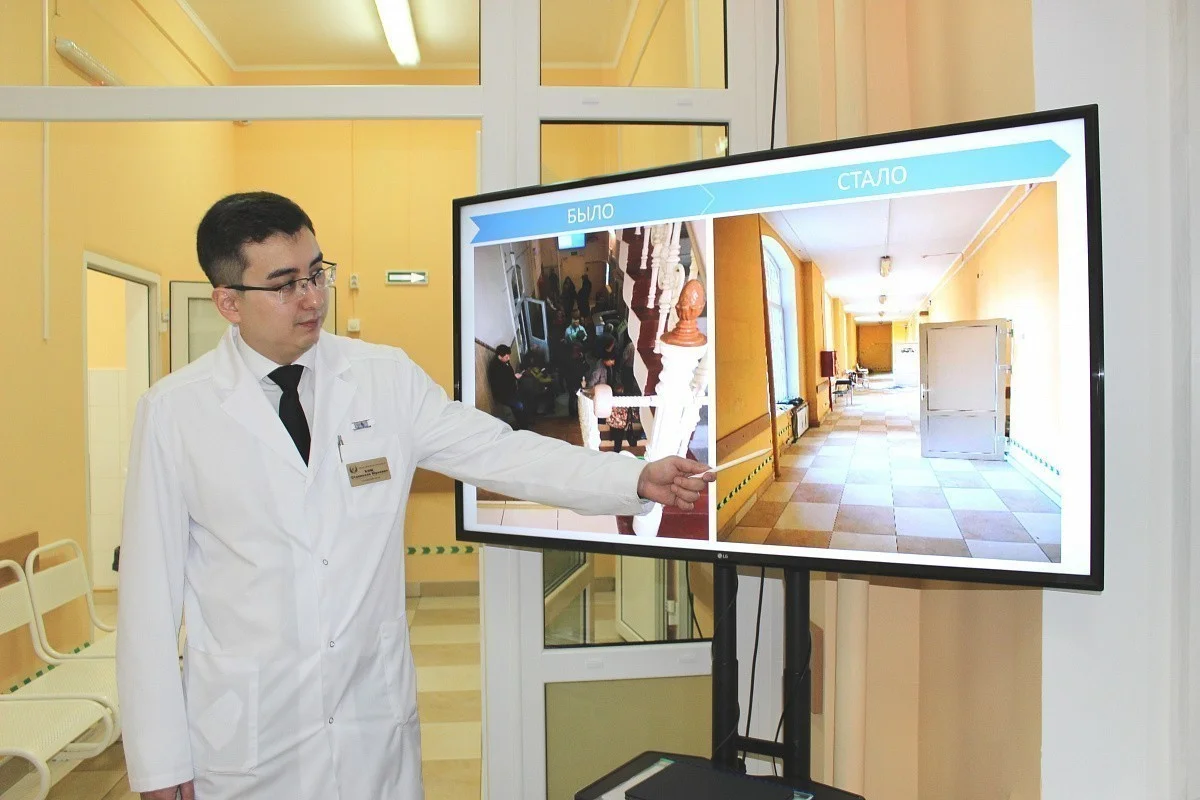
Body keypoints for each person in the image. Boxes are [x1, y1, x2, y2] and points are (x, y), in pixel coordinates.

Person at [115, 191, 714, 800]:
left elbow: (501, 452)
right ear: (228, 302)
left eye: (317, 273)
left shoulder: (384, 378)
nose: (312, 297)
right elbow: (147, 604)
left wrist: (630, 478)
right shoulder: (174, 414)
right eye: (285, 284)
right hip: (247, 740)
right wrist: (160, 765)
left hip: (370, 727)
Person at [486, 343, 532, 429]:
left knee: (525, 397)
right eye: (507, 357)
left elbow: (507, 376)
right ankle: (524, 427)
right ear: (500, 356)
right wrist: (514, 377)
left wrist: (514, 377)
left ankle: (525, 421)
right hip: (503, 394)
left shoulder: (504, 361)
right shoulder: (495, 367)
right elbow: (502, 383)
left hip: (511, 390)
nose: (509, 358)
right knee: (519, 405)